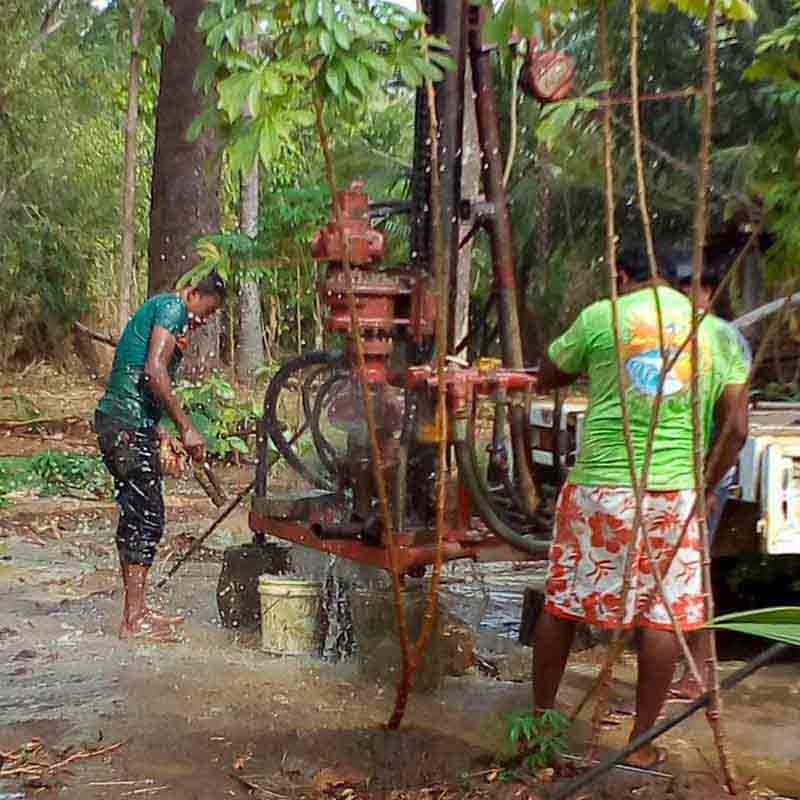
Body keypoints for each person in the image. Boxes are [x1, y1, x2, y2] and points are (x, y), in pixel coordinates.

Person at [533, 248, 749, 768]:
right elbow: (738, 428)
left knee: (563, 604)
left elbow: (548, 373)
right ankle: (642, 741)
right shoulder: (716, 333)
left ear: (623, 276)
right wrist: (703, 483)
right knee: (664, 617)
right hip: (672, 493)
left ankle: (539, 726)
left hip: (599, 489)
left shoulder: (602, 316)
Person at [95, 273, 225, 641]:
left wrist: (160, 430)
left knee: (141, 514)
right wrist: (187, 426)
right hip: (124, 425)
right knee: (146, 516)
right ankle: (134, 620)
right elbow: (154, 370)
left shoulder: (164, 310)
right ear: (193, 294)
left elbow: (137, 378)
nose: (202, 321)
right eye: (206, 311)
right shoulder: (171, 307)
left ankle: (138, 612)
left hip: (128, 422)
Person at [667, 255, 752, 700]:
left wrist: (706, 482)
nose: (685, 296)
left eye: (691, 288)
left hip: (703, 470)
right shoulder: (698, 335)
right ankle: (696, 668)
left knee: (694, 572)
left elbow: (734, 424)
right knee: (691, 570)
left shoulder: (721, 339)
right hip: (696, 468)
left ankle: (699, 670)